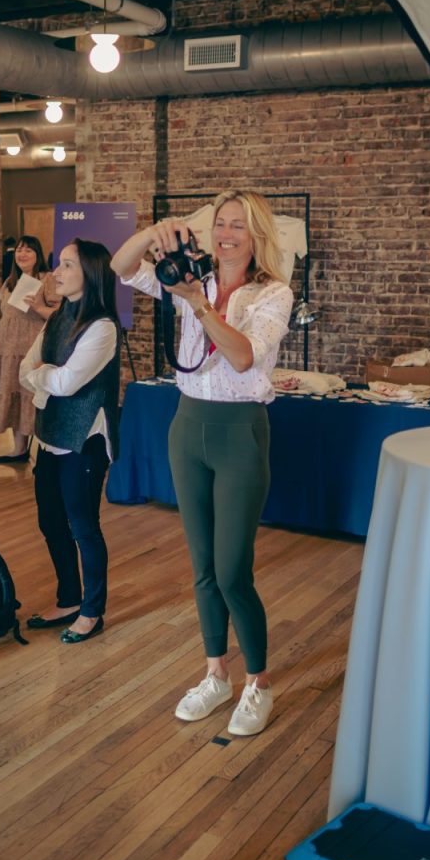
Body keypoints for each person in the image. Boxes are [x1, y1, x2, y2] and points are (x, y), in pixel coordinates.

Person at [111, 190, 293, 737]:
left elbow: (242, 355)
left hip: (240, 433)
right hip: (187, 427)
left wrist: (197, 303)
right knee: (204, 569)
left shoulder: (273, 293)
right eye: (220, 224)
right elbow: (122, 267)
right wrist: (155, 233)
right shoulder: (191, 276)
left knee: (233, 570)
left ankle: (258, 682)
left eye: (238, 225)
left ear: (257, 234)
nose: (226, 234)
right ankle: (216, 674)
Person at [18, 240, 121, 643]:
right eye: (58, 264)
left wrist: (42, 372)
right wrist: (45, 372)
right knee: (50, 521)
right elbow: (25, 368)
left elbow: (65, 382)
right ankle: (68, 599)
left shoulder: (103, 327)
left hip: (84, 442)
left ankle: (92, 611)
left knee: (83, 527)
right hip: (49, 436)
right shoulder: (58, 316)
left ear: (90, 274)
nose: (56, 272)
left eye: (66, 265)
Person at [0, 234, 56, 463]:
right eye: (19, 250)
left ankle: (46, 452)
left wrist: (39, 307)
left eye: (28, 250)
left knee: (31, 397)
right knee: (14, 396)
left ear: (38, 254)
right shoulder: (9, 282)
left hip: (30, 348)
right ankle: (19, 450)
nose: (22, 254)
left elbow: (60, 314)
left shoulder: (47, 279)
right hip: (6, 350)